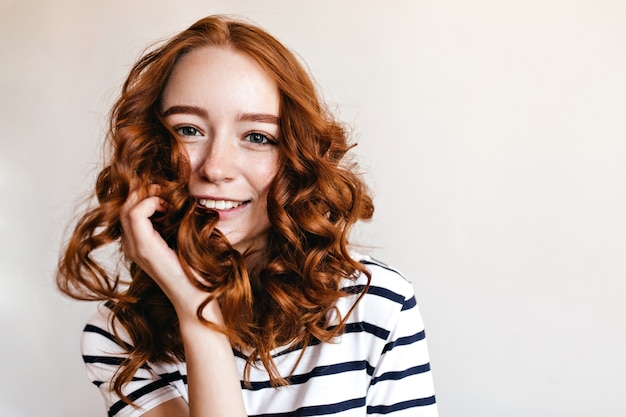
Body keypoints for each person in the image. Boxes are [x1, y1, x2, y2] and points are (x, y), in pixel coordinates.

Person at [57, 15, 438, 417]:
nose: (216, 168)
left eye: (257, 137)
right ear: (151, 147)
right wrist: (197, 311)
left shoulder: (377, 304)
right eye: (188, 130)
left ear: (295, 158)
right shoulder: (118, 338)